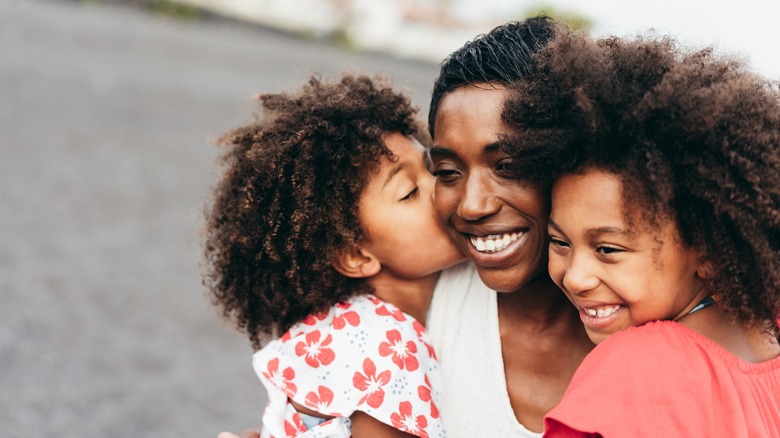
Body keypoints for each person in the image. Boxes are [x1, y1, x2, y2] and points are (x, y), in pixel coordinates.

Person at [502, 28, 780, 436]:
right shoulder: (769, 329)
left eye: (608, 249)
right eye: (560, 242)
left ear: (706, 247)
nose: (575, 276)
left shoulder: (634, 368)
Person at [203, 74, 464, 438]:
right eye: (408, 192)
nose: (441, 186)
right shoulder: (388, 345)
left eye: (435, 168)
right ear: (356, 255)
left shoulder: (347, 323)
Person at [424, 18, 594, 437]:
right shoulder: (423, 306)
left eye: (510, 166)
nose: (472, 205)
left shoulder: (665, 328)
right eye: (448, 171)